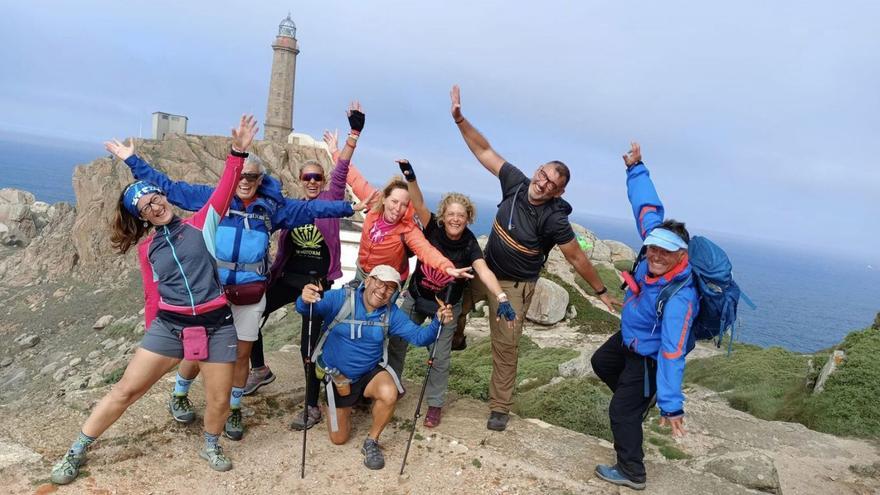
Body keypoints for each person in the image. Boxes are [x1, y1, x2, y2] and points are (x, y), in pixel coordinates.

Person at [104, 112, 364, 442]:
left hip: (252, 293)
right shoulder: (213, 199)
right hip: (213, 293)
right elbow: (168, 188)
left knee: (242, 353)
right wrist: (133, 161)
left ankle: (235, 408)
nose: (245, 181)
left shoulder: (272, 208)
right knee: (196, 354)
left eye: (252, 177)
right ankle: (180, 394)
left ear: (260, 180)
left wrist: (348, 209)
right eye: (241, 174)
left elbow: (310, 209)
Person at [49, 115, 258, 485]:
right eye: (145, 207)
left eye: (155, 198)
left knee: (219, 400)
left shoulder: (202, 224)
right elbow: (152, 297)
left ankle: (210, 443)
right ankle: (76, 449)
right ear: (142, 217)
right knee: (126, 390)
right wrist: (153, 337)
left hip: (215, 325)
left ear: (164, 196)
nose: (155, 206)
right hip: (170, 327)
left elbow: (226, 188)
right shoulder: (147, 250)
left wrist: (238, 152)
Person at [449, 85, 620, 432]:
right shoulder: (515, 181)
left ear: (559, 192)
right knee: (452, 308)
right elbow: (484, 150)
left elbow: (576, 258)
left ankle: (499, 407)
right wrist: (460, 119)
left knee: (506, 346)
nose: (542, 184)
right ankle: (457, 336)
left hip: (513, 287)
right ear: (538, 169)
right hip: (484, 270)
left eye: (551, 184)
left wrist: (602, 292)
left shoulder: (554, 218)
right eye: (543, 175)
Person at [248, 103, 370, 434]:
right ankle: (259, 369)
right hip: (287, 278)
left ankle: (311, 406)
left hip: (316, 283)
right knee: (252, 315)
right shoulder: (293, 207)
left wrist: (353, 135)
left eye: (317, 176)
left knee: (308, 348)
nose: (313, 181)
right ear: (301, 181)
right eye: (307, 177)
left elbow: (342, 168)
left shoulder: (329, 199)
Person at [591, 142, 698, 491]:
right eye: (652, 246)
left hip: (648, 358)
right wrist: (635, 168)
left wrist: (671, 404)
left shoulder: (681, 297)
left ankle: (632, 471)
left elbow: (672, 351)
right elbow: (647, 207)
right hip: (628, 340)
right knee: (601, 362)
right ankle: (637, 404)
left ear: (680, 254)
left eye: (663, 250)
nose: (654, 254)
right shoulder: (652, 249)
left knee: (620, 412)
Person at [388, 159, 516, 428]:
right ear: (443, 216)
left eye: (461, 215)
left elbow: (484, 272)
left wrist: (502, 297)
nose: (456, 219)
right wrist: (410, 176)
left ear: (467, 217)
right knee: (397, 342)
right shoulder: (431, 227)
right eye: (451, 214)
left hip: (445, 308)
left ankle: (434, 404)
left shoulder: (469, 244)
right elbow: (419, 203)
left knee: (440, 357)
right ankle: (394, 386)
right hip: (416, 296)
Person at [296, 265, 454, 470]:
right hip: (338, 376)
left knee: (390, 392)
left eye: (390, 288)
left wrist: (437, 323)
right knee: (339, 438)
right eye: (380, 283)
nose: (383, 291)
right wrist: (304, 298)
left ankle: (372, 440)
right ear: (368, 280)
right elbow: (308, 309)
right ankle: (342, 404)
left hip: (370, 373)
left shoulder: (392, 314)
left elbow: (419, 337)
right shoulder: (341, 298)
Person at [326, 136, 473, 284]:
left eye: (404, 204)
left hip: (387, 283)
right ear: (384, 199)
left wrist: (447, 267)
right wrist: (335, 151)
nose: (398, 208)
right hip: (362, 272)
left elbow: (426, 250)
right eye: (394, 201)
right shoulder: (374, 204)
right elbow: (354, 177)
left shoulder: (407, 229)